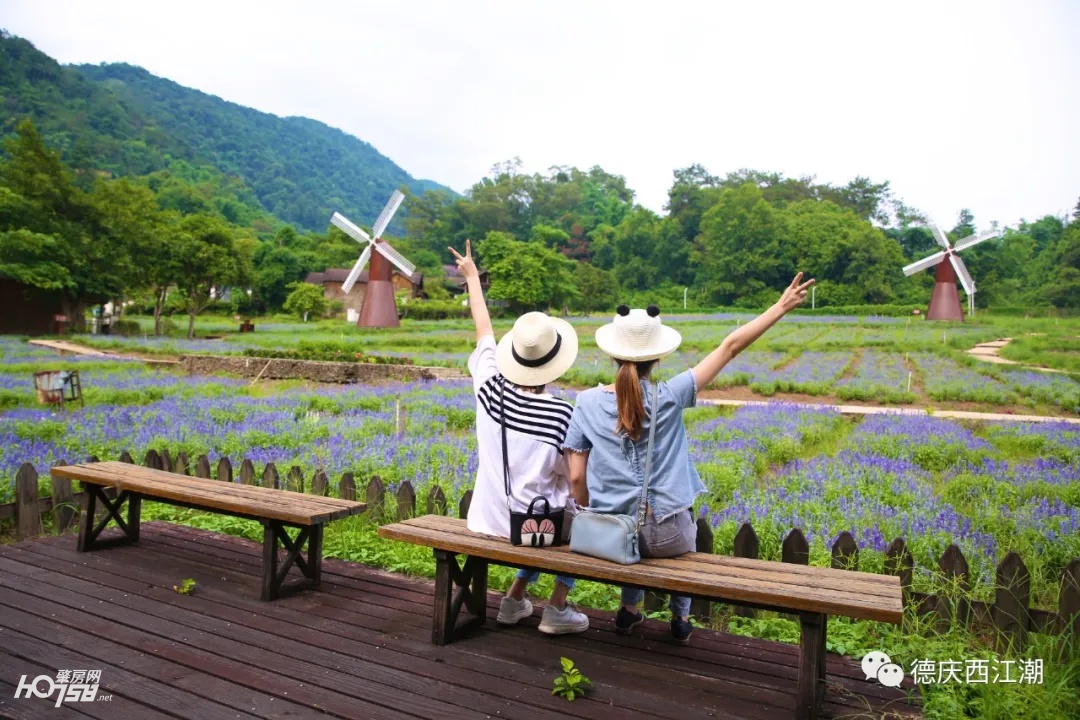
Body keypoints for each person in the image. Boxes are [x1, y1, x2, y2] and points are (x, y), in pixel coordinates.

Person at [563, 273, 815, 644]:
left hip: (609, 535)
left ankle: (629, 612)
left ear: (611, 353)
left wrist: (590, 508)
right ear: (658, 357)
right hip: (669, 537)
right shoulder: (671, 394)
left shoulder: (585, 402)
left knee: (630, 532)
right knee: (683, 525)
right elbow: (729, 347)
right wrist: (779, 307)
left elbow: (575, 479)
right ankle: (680, 619)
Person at [450, 239, 590, 635]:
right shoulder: (563, 411)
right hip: (535, 529)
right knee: (580, 515)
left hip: (488, 519)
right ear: (555, 362)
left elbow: (483, 330)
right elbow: (573, 480)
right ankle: (557, 607)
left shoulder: (489, 386)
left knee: (550, 506)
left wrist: (472, 278)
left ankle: (513, 599)